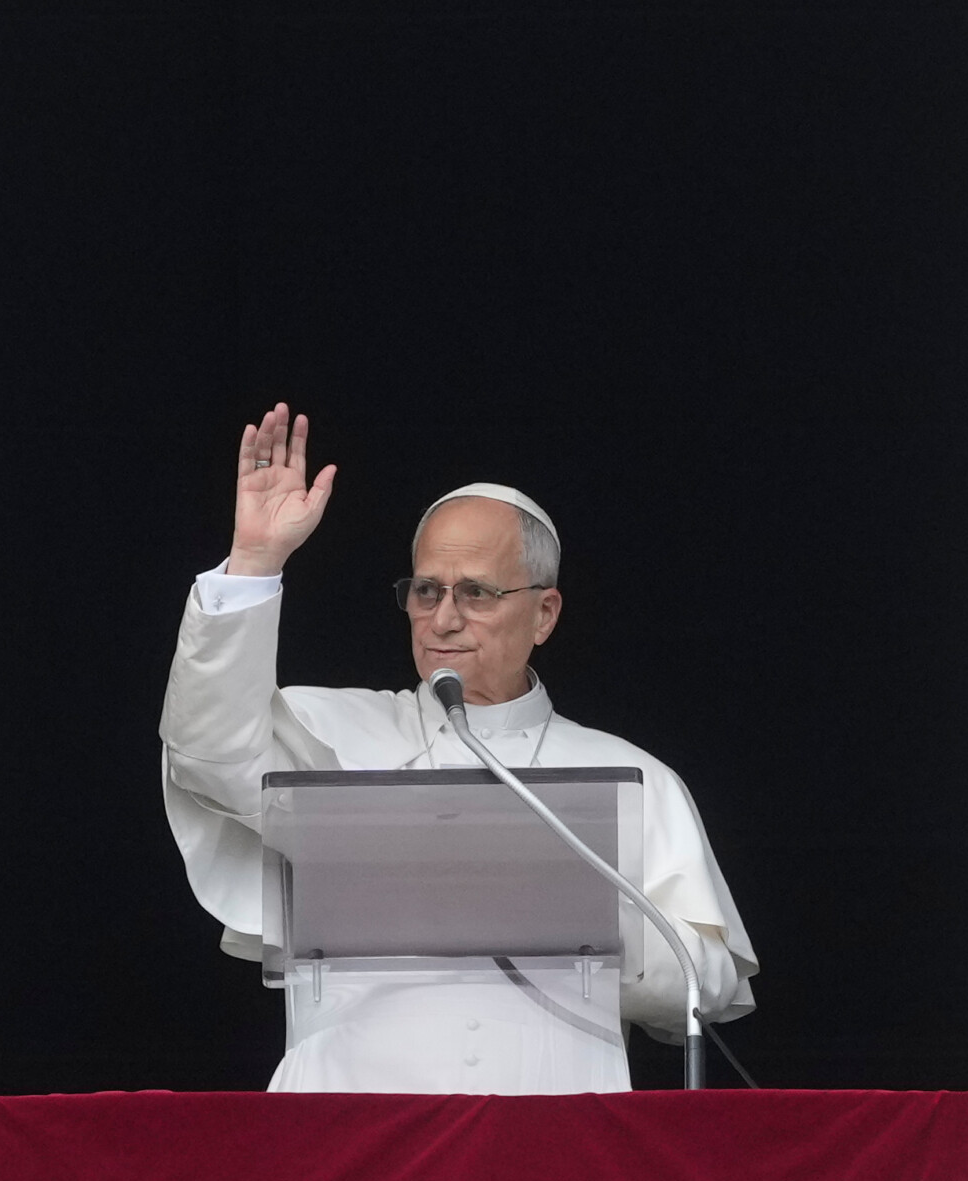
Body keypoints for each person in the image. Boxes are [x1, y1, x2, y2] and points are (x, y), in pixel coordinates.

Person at [161, 403, 757, 1092]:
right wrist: (256, 561)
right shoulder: (330, 736)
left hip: (551, 1152)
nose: (444, 618)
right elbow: (208, 755)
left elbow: (705, 982)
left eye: (475, 593)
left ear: (544, 613)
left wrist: (557, 911)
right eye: (426, 591)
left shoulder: (635, 777)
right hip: (350, 1142)